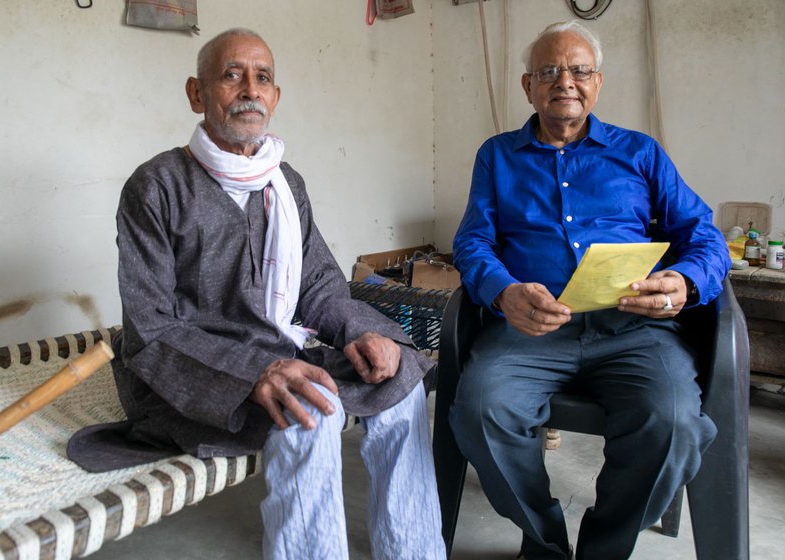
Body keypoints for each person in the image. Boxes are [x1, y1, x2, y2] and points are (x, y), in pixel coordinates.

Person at [67, 28, 445, 560]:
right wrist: (254, 373)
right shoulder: (155, 186)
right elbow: (151, 332)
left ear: (275, 96)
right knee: (311, 412)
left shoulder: (285, 181)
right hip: (195, 375)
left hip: (282, 350)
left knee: (402, 382)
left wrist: (362, 330)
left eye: (262, 77)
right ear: (197, 95)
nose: (250, 88)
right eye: (231, 75)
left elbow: (318, 285)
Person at [450, 20, 730, 560]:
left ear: (597, 83)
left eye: (579, 70)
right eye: (550, 72)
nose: (565, 82)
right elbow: (473, 244)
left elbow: (704, 235)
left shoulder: (641, 153)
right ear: (528, 85)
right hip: (531, 329)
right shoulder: (497, 156)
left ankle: (604, 549)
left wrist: (685, 283)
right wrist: (504, 291)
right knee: (481, 409)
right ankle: (545, 543)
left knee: (672, 421)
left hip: (632, 329)